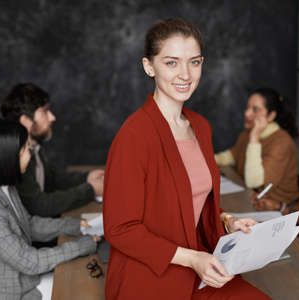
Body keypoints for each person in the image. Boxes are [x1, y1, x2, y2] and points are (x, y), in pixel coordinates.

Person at [103, 18, 270, 300]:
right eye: (171, 63)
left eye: (194, 62)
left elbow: (188, 203)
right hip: (150, 276)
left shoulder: (200, 127)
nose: (185, 74)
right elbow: (120, 229)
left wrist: (228, 222)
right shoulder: (133, 135)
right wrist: (192, 259)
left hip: (199, 267)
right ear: (148, 66)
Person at [0, 119, 99, 300]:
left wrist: (73, 226)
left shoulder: (5, 186)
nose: (30, 156)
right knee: (80, 291)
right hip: (1, 293)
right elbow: (29, 262)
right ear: (7, 158)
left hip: (20, 281)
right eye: (25, 150)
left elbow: (29, 225)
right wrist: (82, 245)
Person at [1, 83, 104, 217]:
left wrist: (86, 178)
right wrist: (90, 190)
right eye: (44, 111)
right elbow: (41, 206)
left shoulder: (34, 145)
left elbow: (51, 180)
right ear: (26, 121)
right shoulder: (17, 158)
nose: (52, 117)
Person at [215, 88, 299, 214]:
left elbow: (253, 182)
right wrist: (204, 160)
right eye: (247, 108)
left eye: (255, 110)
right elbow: (232, 155)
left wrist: (254, 138)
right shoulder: (248, 132)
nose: (247, 113)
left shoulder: (281, 142)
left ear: (271, 116)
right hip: (251, 201)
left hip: (276, 210)